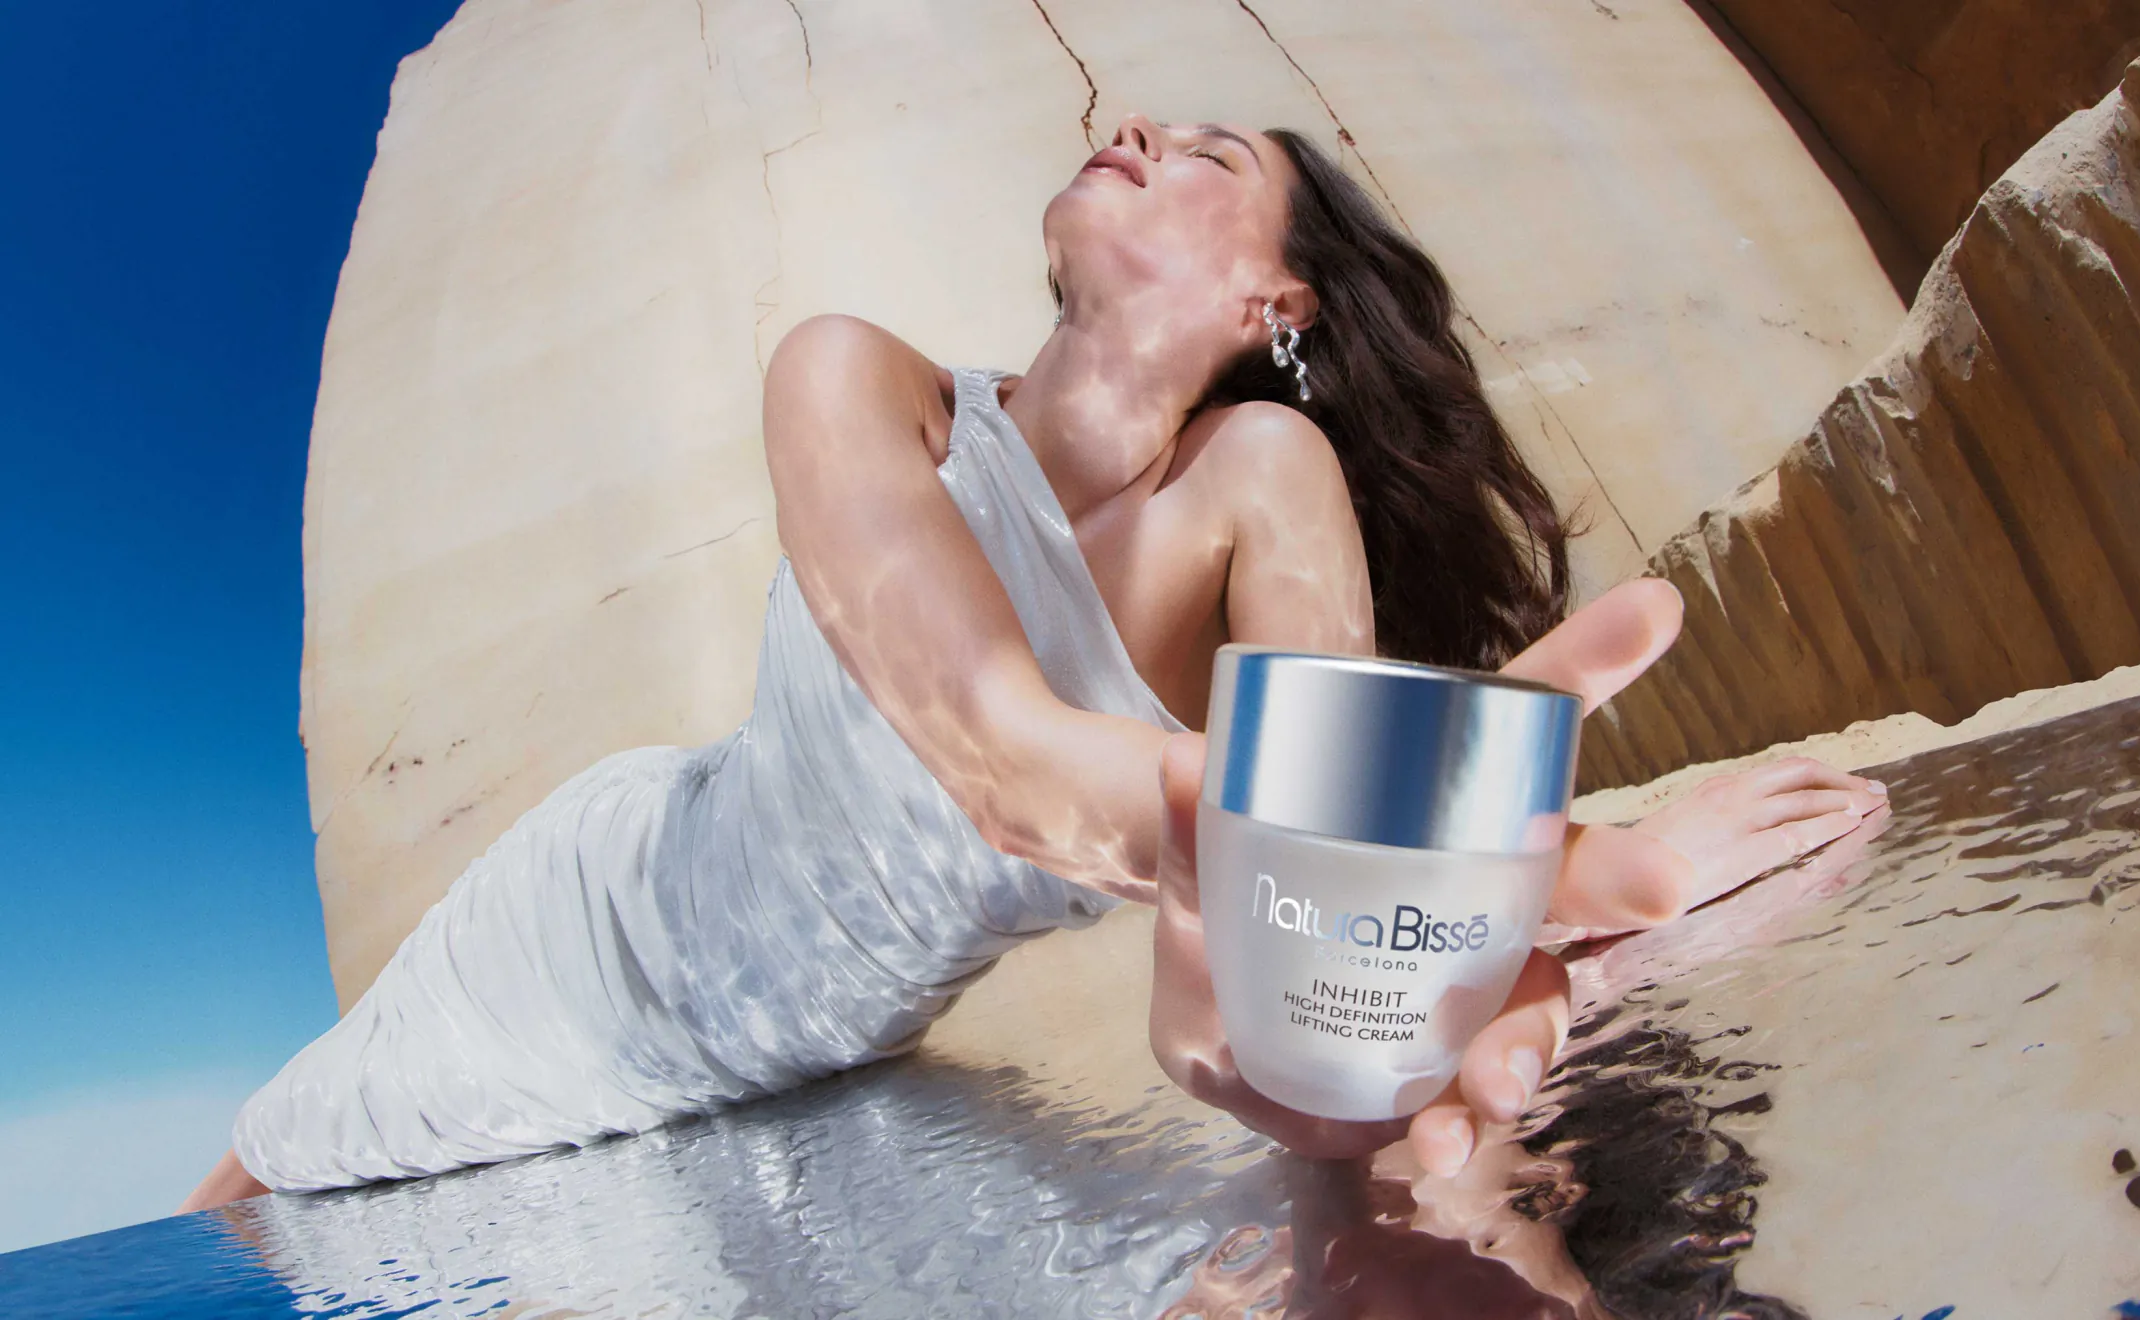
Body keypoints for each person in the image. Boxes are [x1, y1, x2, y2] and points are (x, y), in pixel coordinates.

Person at [182, 114, 1885, 1210]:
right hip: (588, 940)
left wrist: (1454, 947)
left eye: (1207, 154)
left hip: (821, 1046)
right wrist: (1499, 856)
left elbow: (1302, 941)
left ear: (1278, 301)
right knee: (263, 1182)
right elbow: (1006, 761)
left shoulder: (1260, 487)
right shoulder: (856, 383)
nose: (1129, 126)